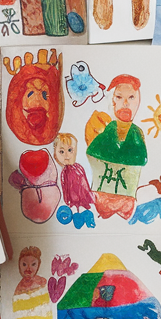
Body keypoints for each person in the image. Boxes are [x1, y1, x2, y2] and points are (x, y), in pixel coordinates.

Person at [85, 74, 148, 219]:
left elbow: (142, 159)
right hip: (101, 197)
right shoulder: (107, 129)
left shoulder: (137, 133)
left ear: (138, 101)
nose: (125, 103)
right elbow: (91, 152)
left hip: (127, 200)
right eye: (119, 97)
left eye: (131, 97)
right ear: (112, 101)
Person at [53, 132, 94, 212]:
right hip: (70, 206)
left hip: (82, 203)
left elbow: (85, 187)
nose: (66, 155)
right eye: (62, 152)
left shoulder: (78, 168)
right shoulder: (60, 172)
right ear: (55, 153)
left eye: (70, 150)